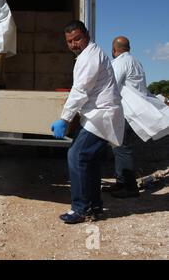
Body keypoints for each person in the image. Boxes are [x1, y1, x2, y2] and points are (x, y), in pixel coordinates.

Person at [51, 21, 125, 224]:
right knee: (89, 161)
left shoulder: (90, 56)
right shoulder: (87, 55)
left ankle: (80, 209)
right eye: (69, 41)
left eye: (77, 39)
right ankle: (94, 206)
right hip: (97, 116)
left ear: (87, 35)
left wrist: (64, 118)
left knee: (77, 156)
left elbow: (80, 90)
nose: (74, 44)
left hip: (101, 116)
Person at [104, 36, 169, 198]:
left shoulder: (120, 63)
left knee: (122, 148)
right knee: (120, 147)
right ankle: (121, 183)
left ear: (113, 50)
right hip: (135, 110)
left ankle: (130, 187)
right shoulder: (136, 62)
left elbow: (112, 87)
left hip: (127, 111)